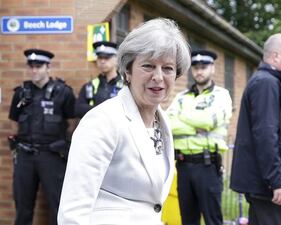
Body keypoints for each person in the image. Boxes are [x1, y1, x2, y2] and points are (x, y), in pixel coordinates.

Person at [57, 18, 191, 225]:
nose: (158, 76)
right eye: (148, 66)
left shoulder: (162, 122)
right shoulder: (103, 120)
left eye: (168, 68)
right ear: (127, 71)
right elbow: (72, 213)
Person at [230, 33, 281, 225]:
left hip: (270, 189)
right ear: (275, 56)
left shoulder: (273, 83)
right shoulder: (266, 83)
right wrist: (277, 182)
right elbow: (265, 135)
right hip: (271, 190)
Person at [8, 49, 76, 225]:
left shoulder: (63, 92)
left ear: (48, 67)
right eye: (31, 67)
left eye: (38, 67)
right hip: (25, 156)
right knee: (22, 207)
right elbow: (14, 123)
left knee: (57, 205)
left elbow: (71, 123)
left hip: (52, 156)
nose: (34, 71)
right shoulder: (21, 93)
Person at [167, 49, 233, 225]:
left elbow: (208, 122)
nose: (199, 71)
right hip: (183, 165)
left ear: (213, 68)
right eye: (195, 67)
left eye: (204, 67)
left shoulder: (221, 95)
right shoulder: (181, 97)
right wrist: (196, 125)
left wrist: (183, 117)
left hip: (208, 166)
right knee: (187, 220)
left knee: (213, 219)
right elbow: (168, 124)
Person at [75, 41, 123, 118]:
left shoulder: (126, 85)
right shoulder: (89, 86)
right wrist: (106, 110)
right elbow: (78, 110)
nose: (102, 61)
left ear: (116, 60)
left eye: (107, 57)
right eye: (99, 57)